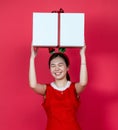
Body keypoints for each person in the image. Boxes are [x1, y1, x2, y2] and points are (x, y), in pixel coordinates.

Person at [29, 45, 88, 130]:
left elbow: (83, 83)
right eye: (53, 66)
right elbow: (33, 85)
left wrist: (82, 55)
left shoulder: (73, 88)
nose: (57, 68)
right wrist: (32, 58)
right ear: (49, 69)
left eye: (60, 65)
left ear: (67, 67)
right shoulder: (47, 89)